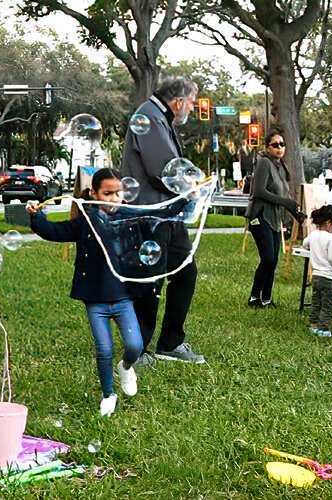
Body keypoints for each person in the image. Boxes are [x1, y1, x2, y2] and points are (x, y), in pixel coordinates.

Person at [29, 168, 142, 416]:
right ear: (94, 193)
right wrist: (38, 218)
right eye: (108, 193)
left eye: (118, 193)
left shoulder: (128, 219)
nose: (114, 198)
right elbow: (56, 232)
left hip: (123, 296)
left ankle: (125, 367)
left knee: (135, 345)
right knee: (104, 349)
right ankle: (108, 394)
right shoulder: (85, 222)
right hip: (95, 299)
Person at [118, 76, 205, 364]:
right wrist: (190, 186)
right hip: (150, 214)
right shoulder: (149, 116)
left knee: (185, 272)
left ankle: (171, 342)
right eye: (191, 102)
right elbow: (163, 169)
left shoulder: (159, 118)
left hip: (169, 213)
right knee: (149, 280)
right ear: (178, 101)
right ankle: (138, 347)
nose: (192, 108)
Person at [246, 131, 302, 308]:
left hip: (275, 218)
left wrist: (295, 213)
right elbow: (259, 192)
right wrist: (286, 202)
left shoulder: (281, 167)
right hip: (260, 216)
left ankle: (267, 298)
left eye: (282, 144)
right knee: (268, 259)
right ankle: (254, 297)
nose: (279, 148)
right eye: (275, 145)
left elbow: (282, 195)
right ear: (267, 147)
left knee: (274, 260)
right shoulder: (264, 163)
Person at [304, 205, 332, 338]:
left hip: (316, 276)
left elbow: (305, 244)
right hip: (328, 277)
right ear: (329, 223)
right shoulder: (330, 238)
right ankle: (323, 329)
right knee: (328, 304)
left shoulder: (313, 235)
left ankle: (313, 325)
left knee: (316, 302)